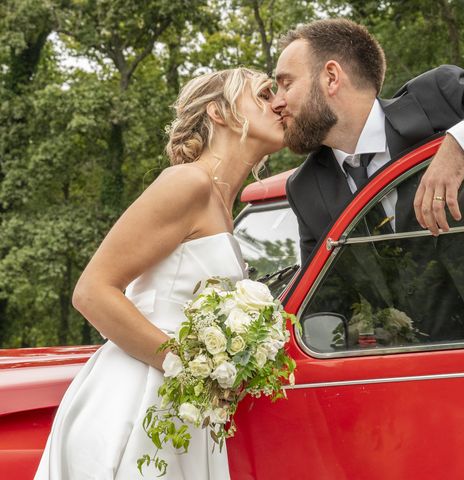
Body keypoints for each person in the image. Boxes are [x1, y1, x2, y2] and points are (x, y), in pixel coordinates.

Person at [34, 67, 284, 479]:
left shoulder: (223, 206)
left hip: (181, 406)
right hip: (136, 399)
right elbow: (92, 291)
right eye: (262, 94)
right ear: (218, 113)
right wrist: (187, 367)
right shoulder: (187, 183)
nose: (278, 102)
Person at [273, 18, 464, 342]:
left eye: (286, 84)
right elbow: (323, 306)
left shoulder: (435, 99)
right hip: (430, 372)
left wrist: (460, 147)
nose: (276, 102)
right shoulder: (306, 189)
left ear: (331, 77)